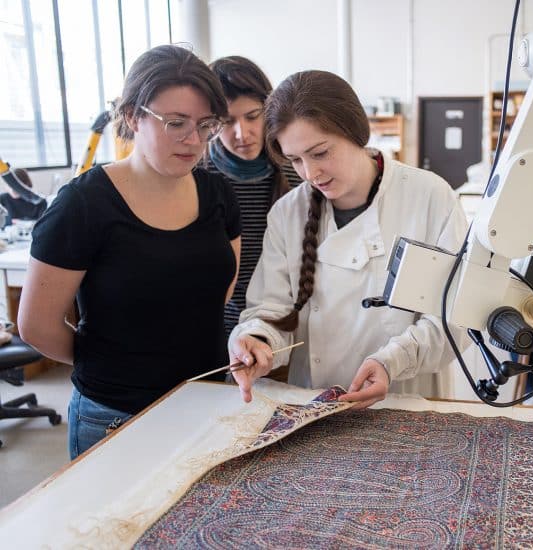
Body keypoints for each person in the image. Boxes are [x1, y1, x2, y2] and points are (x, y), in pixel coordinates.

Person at [18, 45, 241, 458]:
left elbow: (219, 289)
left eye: (205, 124)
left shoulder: (217, 193)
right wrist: (110, 362)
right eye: (175, 123)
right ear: (132, 116)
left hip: (207, 402)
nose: (194, 140)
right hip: (115, 415)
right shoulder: (82, 205)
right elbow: (36, 324)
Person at [228, 70, 467, 409]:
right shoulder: (288, 214)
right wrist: (257, 341)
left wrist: (391, 361)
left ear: (355, 131)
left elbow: (452, 318)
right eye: (296, 160)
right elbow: (272, 311)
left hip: (406, 400)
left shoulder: (430, 197)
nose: (310, 174)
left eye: (320, 153)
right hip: (314, 404)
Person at [203, 56, 290, 339]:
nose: (243, 133)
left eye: (253, 116)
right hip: (215, 331)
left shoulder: (296, 170)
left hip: (281, 329)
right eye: (227, 121)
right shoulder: (197, 176)